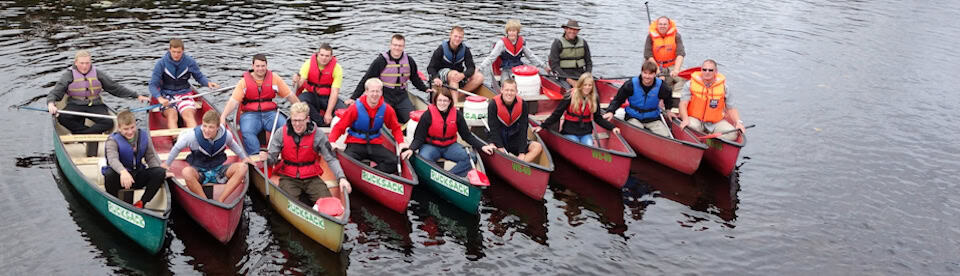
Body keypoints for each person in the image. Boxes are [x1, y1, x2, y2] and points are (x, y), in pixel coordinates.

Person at [260, 102, 351, 204]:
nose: (297, 124)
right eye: (294, 120)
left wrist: (341, 178)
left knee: (328, 203)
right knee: (290, 203)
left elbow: (331, 159)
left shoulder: (319, 135)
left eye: (300, 120)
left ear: (307, 119)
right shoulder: (280, 133)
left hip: (311, 177)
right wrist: (266, 158)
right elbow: (272, 158)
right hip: (289, 177)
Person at [47, 50, 150, 134]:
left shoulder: (97, 74)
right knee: (62, 118)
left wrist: (136, 95)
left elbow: (114, 87)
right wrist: (51, 103)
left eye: (87, 63)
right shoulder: (68, 75)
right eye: (82, 63)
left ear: (90, 62)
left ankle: (81, 134)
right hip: (75, 104)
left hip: (95, 104)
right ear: (76, 63)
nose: (84, 66)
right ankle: (87, 132)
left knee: (108, 122)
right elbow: (55, 92)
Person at [401, 85, 490, 177]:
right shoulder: (427, 116)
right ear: (435, 101)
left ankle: (450, 176)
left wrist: (482, 146)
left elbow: (467, 136)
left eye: (445, 100)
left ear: (450, 102)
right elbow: (419, 138)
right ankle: (438, 176)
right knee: (424, 160)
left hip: (450, 146)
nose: (442, 103)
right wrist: (411, 149)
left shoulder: (457, 115)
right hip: (431, 146)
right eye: (440, 100)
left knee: (471, 157)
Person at [220, 54, 300, 155]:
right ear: (253, 66)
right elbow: (234, 101)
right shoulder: (243, 82)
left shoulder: (275, 79)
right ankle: (255, 157)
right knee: (248, 132)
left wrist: (302, 111)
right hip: (250, 114)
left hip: (270, 113)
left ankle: (286, 154)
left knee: (286, 128)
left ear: (266, 66)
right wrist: (223, 116)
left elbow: (290, 95)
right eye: (258, 66)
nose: (260, 69)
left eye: (263, 66)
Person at [163, 110, 250, 203]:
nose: (206, 130)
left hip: (219, 170)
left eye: (211, 127)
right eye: (204, 126)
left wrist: (244, 158)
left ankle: (221, 199)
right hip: (200, 171)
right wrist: (167, 164)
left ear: (218, 127)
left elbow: (233, 145)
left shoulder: (226, 135)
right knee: (186, 172)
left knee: (243, 167)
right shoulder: (192, 136)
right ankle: (205, 201)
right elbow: (176, 148)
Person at [349, 34, 431, 124]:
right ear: (390, 45)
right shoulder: (381, 61)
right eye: (395, 45)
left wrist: (425, 89)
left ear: (403, 47)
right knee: (385, 119)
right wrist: (354, 97)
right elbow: (366, 79)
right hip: (385, 95)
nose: (397, 48)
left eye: (400, 46)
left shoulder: (409, 61)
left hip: (402, 95)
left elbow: (415, 78)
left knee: (412, 120)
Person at [330, 79, 407, 174]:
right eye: (372, 91)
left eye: (377, 91)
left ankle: (372, 174)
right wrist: (332, 141)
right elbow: (340, 127)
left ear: (381, 92)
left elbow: (395, 128)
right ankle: (363, 175)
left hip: (375, 144)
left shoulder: (387, 109)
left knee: (394, 162)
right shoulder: (355, 108)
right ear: (366, 92)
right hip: (355, 144)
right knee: (347, 163)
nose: (375, 94)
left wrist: (401, 142)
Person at [102, 110, 170, 209]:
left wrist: (161, 173)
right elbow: (112, 159)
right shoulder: (112, 140)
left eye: (132, 127)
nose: (130, 132)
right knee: (109, 174)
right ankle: (114, 202)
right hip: (120, 178)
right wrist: (123, 172)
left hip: (137, 175)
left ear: (135, 124)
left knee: (160, 172)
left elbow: (150, 157)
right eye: (126, 129)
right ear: (119, 128)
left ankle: (142, 203)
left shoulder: (143, 136)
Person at [149, 39, 221, 129]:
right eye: (173, 52)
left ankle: (194, 139)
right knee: (172, 116)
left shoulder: (189, 62)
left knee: (189, 115)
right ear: (169, 50)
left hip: (184, 93)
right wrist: (159, 98)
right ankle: (176, 139)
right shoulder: (161, 64)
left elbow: (199, 77)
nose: (176, 55)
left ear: (183, 51)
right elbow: (152, 85)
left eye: (179, 52)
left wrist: (208, 83)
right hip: (167, 95)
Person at [535, 72, 620, 145]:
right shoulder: (570, 96)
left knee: (589, 145)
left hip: (585, 132)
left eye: (590, 85)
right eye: (585, 85)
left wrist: (612, 127)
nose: (587, 87)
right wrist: (542, 126)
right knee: (575, 142)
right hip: (569, 131)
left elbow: (598, 118)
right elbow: (557, 114)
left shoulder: (594, 98)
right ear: (580, 85)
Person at [678, 60, 747, 140]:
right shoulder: (690, 84)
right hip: (695, 119)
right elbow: (683, 104)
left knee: (732, 133)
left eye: (710, 70)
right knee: (691, 126)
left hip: (715, 122)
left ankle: (711, 140)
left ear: (716, 72)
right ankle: (702, 139)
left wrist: (738, 122)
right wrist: (685, 119)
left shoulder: (724, 88)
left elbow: (731, 108)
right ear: (701, 70)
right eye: (704, 69)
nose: (707, 72)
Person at [602, 61, 672, 137]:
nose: (647, 76)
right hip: (633, 117)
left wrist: (668, 110)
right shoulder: (631, 84)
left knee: (665, 135)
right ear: (641, 73)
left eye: (650, 74)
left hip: (653, 118)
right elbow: (618, 99)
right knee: (639, 132)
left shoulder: (662, 86)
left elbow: (668, 97)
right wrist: (611, 111)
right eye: (645, 73)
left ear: (655, 74)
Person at [484, 79, 542, 162]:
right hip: (497, 138)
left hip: (514, 137)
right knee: (491, 147)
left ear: (516, 91)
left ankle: (519, 163)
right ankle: (517, 163)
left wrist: (522, 152)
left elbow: (523, 128)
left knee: (537, 147)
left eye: (512, 90)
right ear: (501, 90)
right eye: (507, 90)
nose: (509, 93)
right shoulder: (493, 104)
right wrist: (500, 147)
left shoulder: (523, 104)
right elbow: (493, 129)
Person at [477, 20, 550, 83]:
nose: (512, 33)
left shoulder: (522, 43)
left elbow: (531, 56)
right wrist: (479, 68)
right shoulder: (501, 43)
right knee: (506, 83)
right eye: (510, 31)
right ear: (507, 32)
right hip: (506, 69)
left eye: (514, 31)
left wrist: (544, 66)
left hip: (519, 68)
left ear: (517, 32)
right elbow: (491, 57)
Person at [293, 43, 347, 127]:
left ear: (331, 57)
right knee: (301, 102)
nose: (324, 58)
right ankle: (321, 123)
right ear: (318, 54)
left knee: (343, 111)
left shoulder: (337, 68)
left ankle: (333, 123)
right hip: (312, 95)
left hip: (327, 97)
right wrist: (296, 80)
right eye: (322, 55)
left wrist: (328, 113)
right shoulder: (308, 64)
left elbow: (335, 92)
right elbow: (300, 83)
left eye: (327, 56)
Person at [427, 26, 484, 102]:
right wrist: (435, 78)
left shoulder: (465, 50)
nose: (457, 39)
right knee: (454, 74)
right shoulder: (441, 49)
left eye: (460, 37)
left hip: (457, 75)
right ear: (450, 35)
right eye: (455, 36)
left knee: (480, 77)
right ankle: (456, 104)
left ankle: (458, 95)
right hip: (442, 75)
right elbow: (430, 67)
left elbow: (471, 68)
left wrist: (463, 75)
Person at [644, 16, 687, 112]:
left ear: (669, 25)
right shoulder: (650, 36)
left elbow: (680, 54)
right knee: (652, 81)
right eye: (660, 24)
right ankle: (654, 100)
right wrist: (659, 72)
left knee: (684, 79)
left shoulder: (676, 36)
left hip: (671, 65)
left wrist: (676, 70)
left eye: (665, 24)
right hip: (655, 65)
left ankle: (673, 99)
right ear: (657, 25)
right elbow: (648, 55)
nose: (662, 26)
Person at [548, 20, 593, 87]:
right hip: (563, 75)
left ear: (578, 31)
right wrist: (569, 80)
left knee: (593, 92)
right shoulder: (557, 43)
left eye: (575, 30)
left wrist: (587, 76)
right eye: (570, 29)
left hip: (580, 73)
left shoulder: (583, 42)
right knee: (570, 92)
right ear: (565, 29)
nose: (572, 31)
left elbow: (588, 62)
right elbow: (554, 65)